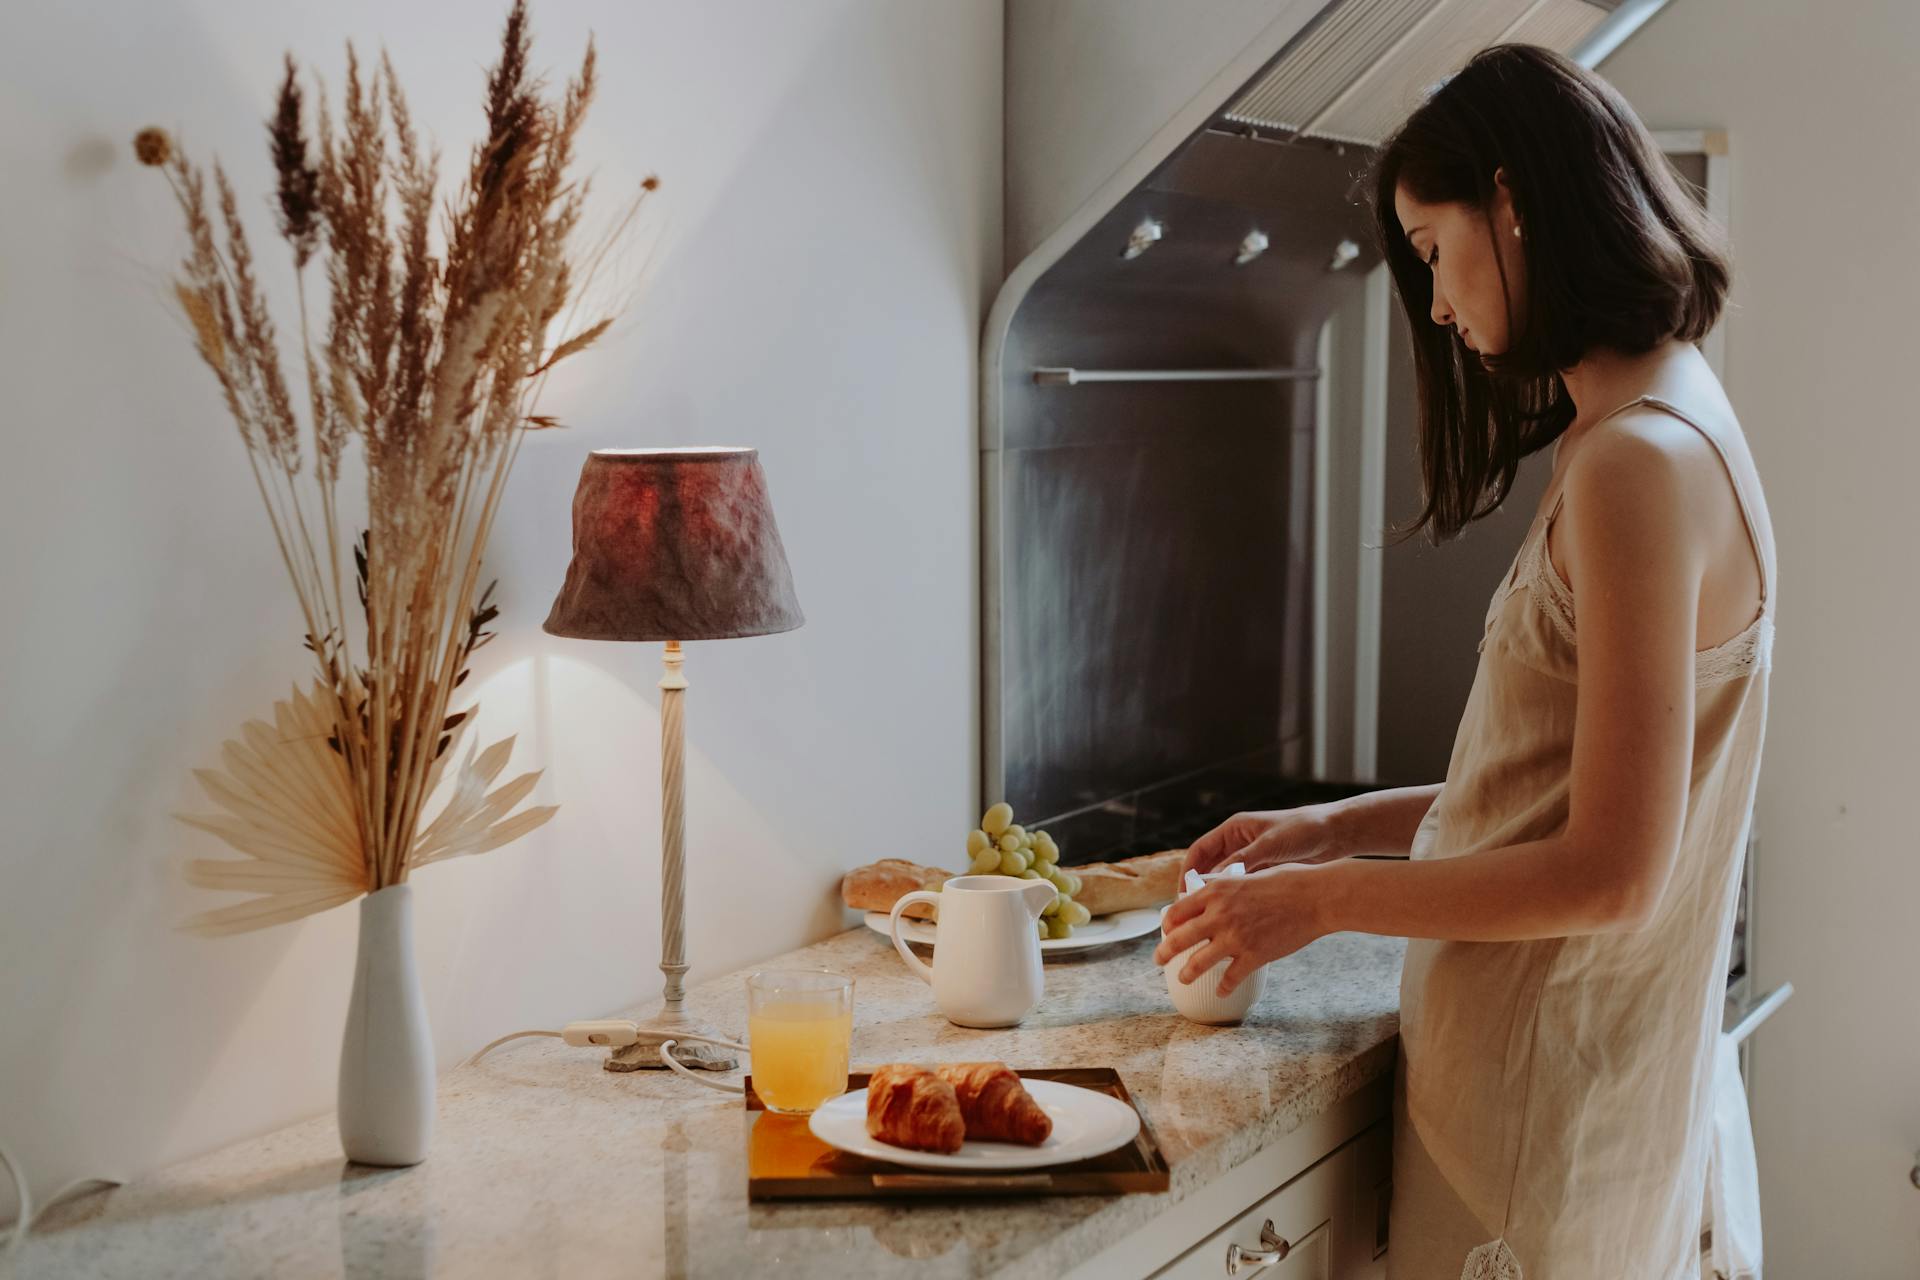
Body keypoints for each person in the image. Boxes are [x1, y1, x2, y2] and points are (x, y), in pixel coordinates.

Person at [1153, 44, 1774, 1280]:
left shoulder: (1636, 465)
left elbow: (1609, 873)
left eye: (1434, 251)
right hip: (1553, 1113)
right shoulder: (1668, 412)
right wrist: (1335, 829)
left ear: (1513, 203)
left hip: (1538, 1139)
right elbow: (1553, 791)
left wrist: (1321, 902)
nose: (1434, 306)